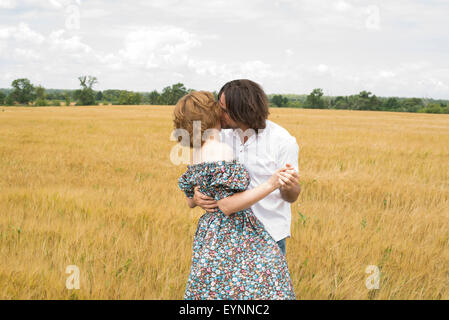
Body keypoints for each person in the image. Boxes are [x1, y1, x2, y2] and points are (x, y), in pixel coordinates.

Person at [174, 90, 296, 300]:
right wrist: (272, 183)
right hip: (235, 234)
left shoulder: (195, 153)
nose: (223, 114)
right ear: (213, 116)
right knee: (263, 290)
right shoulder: (221, 150)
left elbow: (189, 201)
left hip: (209, 236)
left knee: (215, 291)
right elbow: (227, 206)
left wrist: (196, 197)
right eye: (219, 110)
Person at [191, 79, 301, 256]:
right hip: (227, 238)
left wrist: (290, 187)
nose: (219, 114)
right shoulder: (221, 136)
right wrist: (196, 195)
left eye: (225, 111)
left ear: (243, 112)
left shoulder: (282, 142)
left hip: (268, 237)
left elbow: (291, 196)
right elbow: (198, 177)